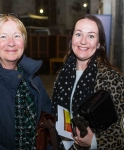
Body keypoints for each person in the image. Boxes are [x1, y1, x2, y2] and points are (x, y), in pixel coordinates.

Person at [0, 13, 52, 150]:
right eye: (3, 36)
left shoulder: (33, 77)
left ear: (24, 42)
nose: (11, 42)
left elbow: (48, 116)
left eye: (17, 36)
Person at [51, 14, 124, 150]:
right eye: (78, 34)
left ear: (99, 44)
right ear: (71, 38)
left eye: (91, 36)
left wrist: (94, 142)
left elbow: (119, 133)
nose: (83, 41)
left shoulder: (111, 79)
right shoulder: (62, 74)